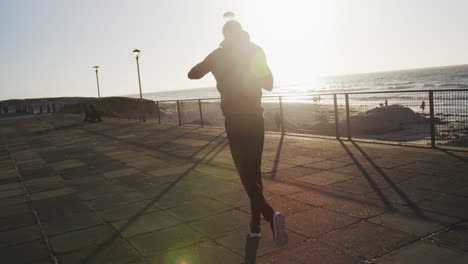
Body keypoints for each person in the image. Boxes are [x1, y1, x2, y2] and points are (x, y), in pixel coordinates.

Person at [188, 17, 288, 246]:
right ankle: (255, 228)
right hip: (255, 118)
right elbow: (269, 83)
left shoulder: (218, 54)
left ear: (225, 35)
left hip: (234, 120)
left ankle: (270, 217)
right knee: (254, 172)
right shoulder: (255, 51)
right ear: (242, 32)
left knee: (246, 176)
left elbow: (192, 74)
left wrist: (212, 65)